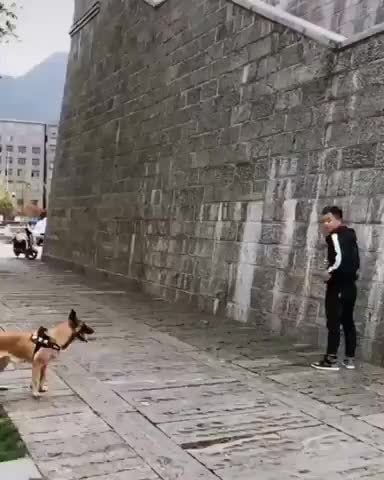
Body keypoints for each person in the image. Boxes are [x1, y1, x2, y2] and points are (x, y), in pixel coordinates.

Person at [311, 206, 360, 371]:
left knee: (333, 322)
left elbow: (340, 259)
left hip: (338, 285)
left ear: (338, 219)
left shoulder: (335, 236)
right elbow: (354, 261)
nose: (326, 224)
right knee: (348, 322)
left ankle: (330, 359)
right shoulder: (351, 235)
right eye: (323, 221)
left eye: (329, 220)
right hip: (350, 287)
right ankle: (350, 359)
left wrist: (328, 272)